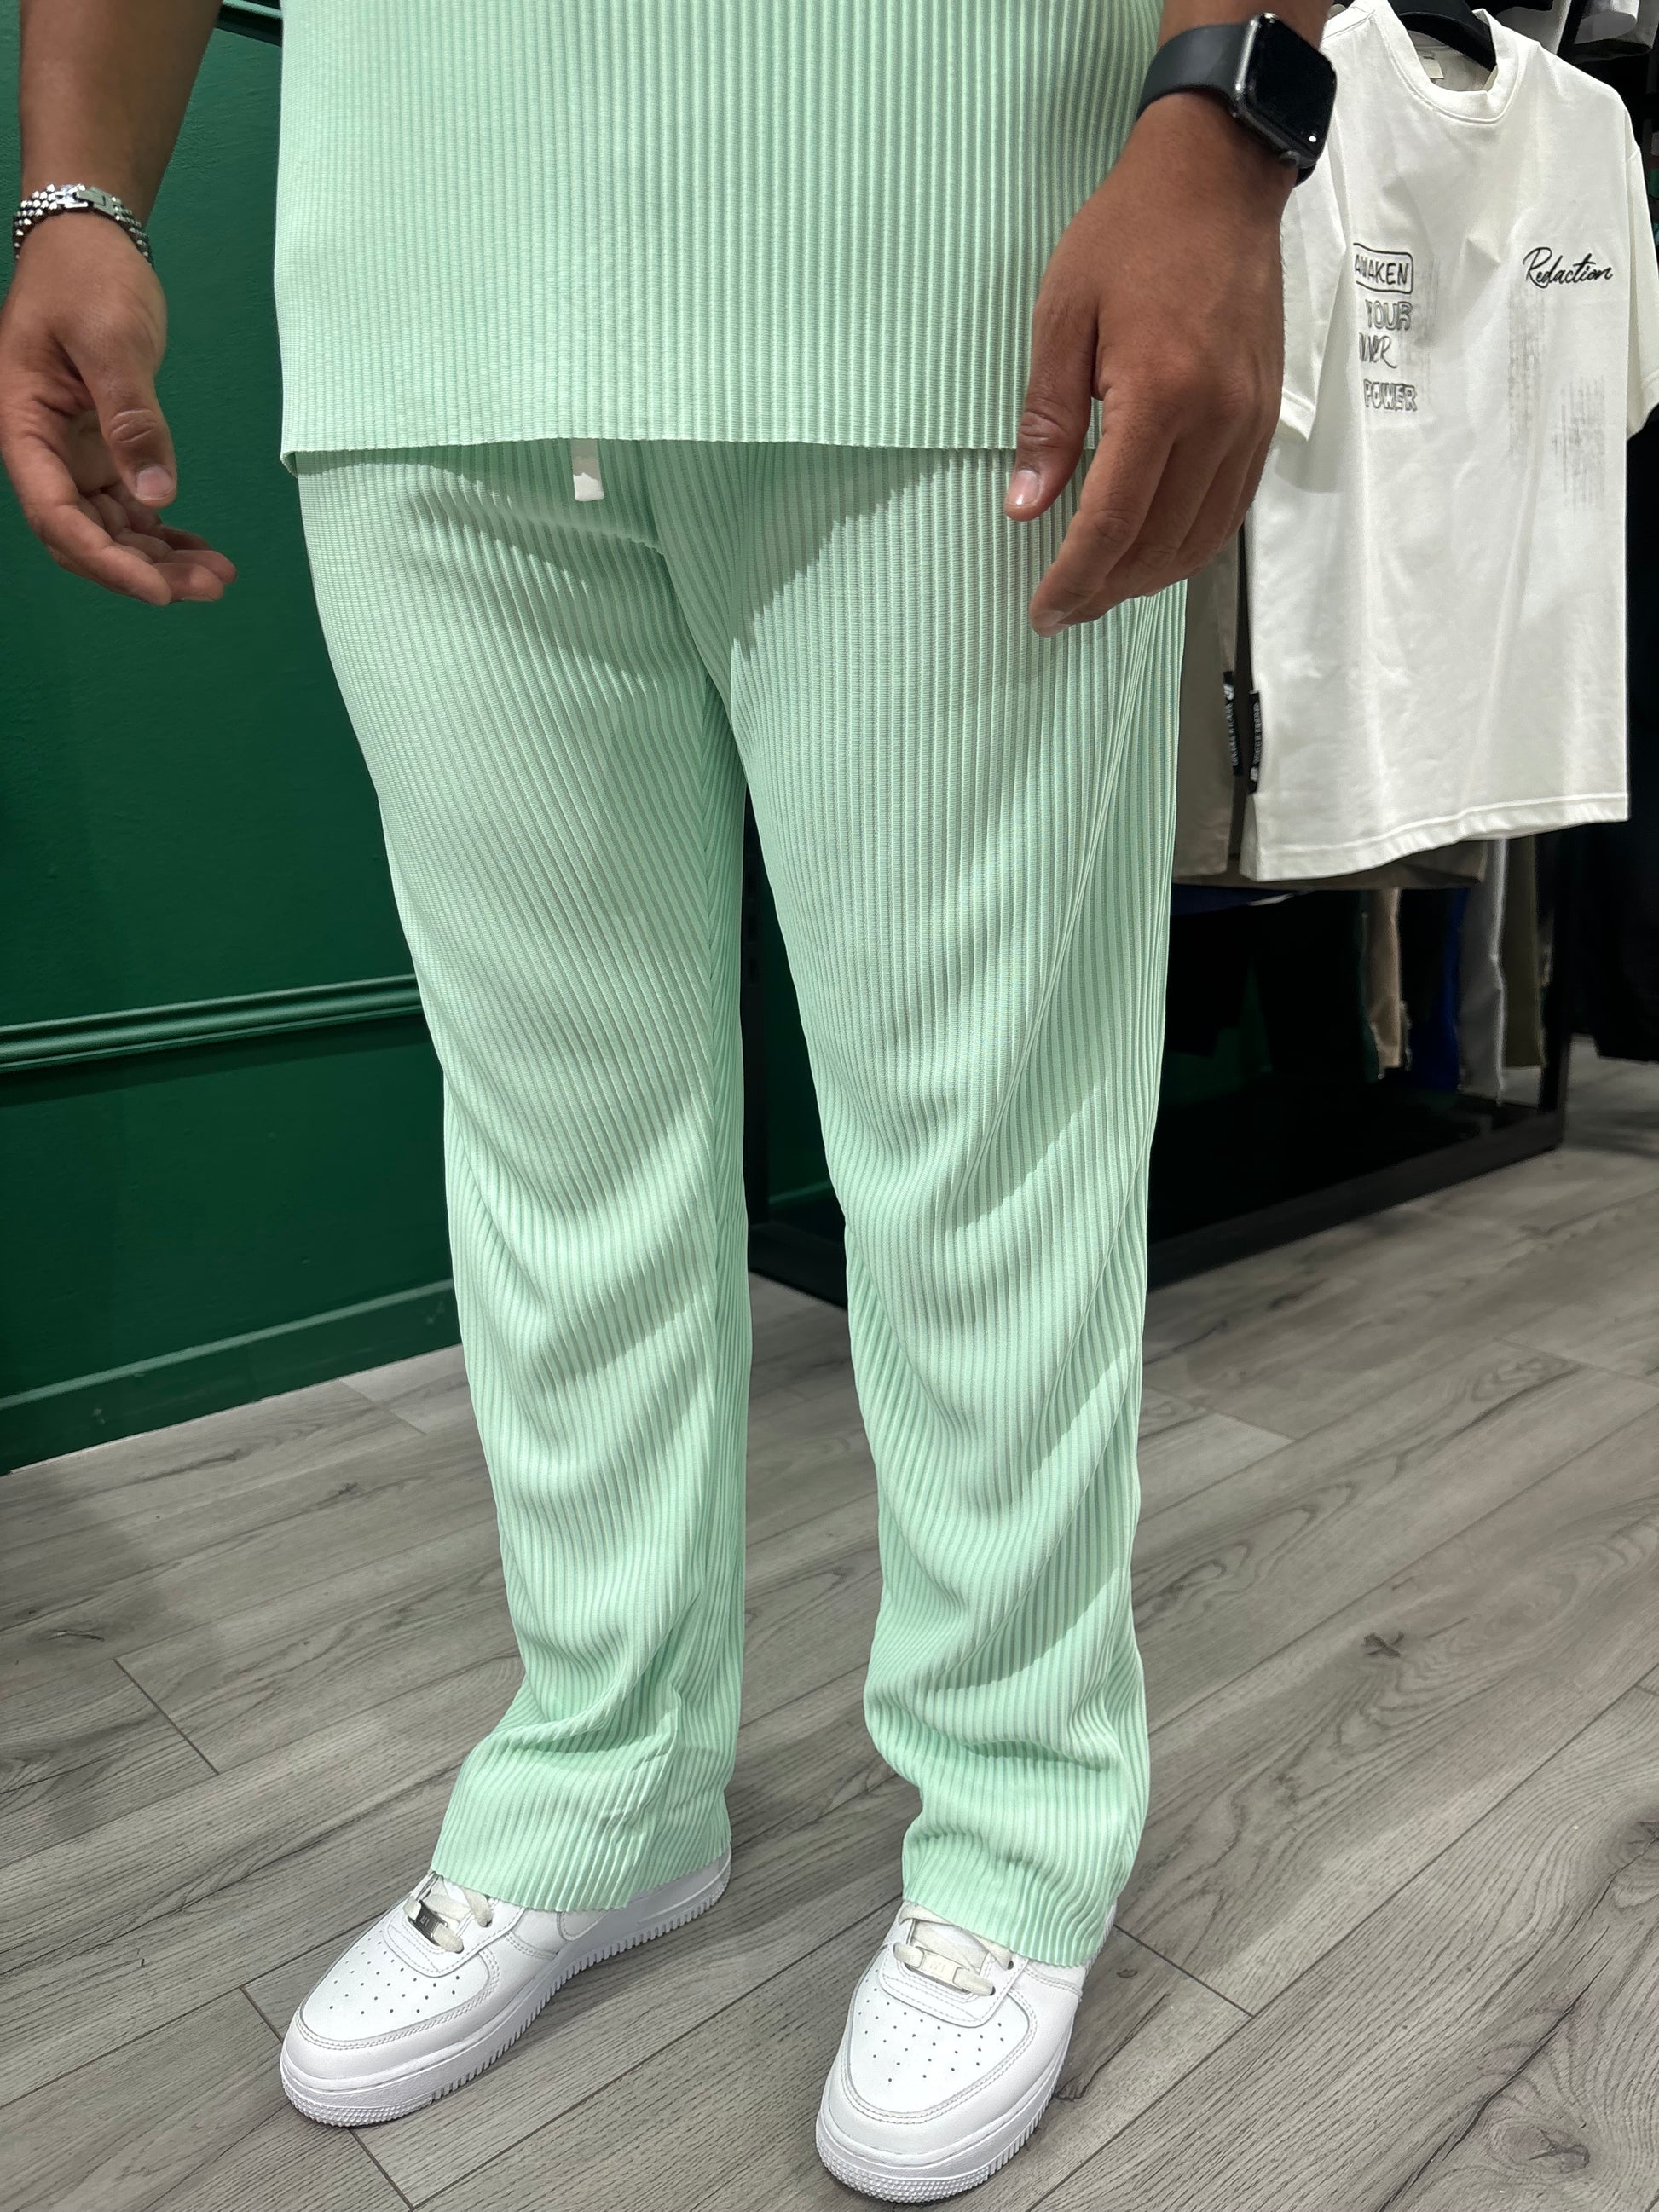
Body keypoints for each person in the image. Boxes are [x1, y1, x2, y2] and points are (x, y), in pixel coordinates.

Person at [0, 0, 1327, 2194]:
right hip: (421, 286)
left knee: (982, 1137)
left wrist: (1232, 114)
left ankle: (1017, 1815)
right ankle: (601, 1775)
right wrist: (77, 192)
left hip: (951, 237)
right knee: (552, 1138)